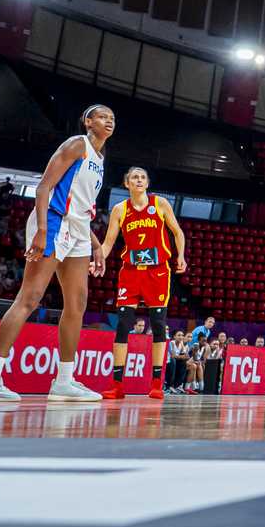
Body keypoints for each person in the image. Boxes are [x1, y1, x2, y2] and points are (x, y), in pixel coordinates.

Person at [0, 105, 113, 402]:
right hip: (53, 221)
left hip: (78, 230)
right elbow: (44, 188)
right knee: (30, 297)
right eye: (102, 116)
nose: (108, 121)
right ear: (88, 121)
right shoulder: (77, 145)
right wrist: (42, 229)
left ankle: (64, 381)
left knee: (78, 303)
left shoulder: (100, 158)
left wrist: (97, 244)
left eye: (112, 118)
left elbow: (81, 206)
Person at [96, 167, 187, 401]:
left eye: (143, 177)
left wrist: (181, 256)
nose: (139, 180)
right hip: (131, 272)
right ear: (126, 184)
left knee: (158, 324)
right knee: (123, 325)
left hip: (158, 272)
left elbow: (178, 232)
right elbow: (107, 244)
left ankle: (156, 384)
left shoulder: (160, 204)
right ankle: (117, 385)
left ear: (147, 183)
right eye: (134, 177)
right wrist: (97, 260)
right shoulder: (120, 209)